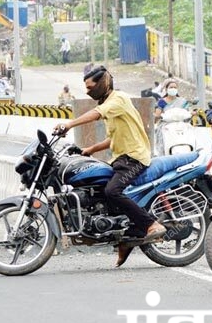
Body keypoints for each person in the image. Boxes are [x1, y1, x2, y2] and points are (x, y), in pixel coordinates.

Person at [53, 66, 166, 267]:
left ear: (103, 83)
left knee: (113, 191)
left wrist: (69, 125)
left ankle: (151, 224)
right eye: (86, 88)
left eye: (91, 87)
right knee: (103, 192)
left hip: (135, 157)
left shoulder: (118, 99)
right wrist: (90, 149)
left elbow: (96, 113)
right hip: (121, 158)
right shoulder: (112, 105)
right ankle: (127, 237)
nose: (88, 91)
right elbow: (113, 138)